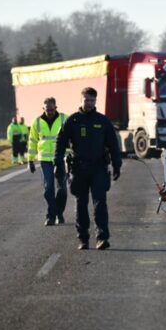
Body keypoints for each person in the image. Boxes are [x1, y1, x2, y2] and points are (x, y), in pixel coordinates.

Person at [55, 87, 122, 251]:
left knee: (100, 203)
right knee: (81, 204)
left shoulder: (103, 121)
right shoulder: (73, 121)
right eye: (86, 100)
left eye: (92, 100)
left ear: (95, 101)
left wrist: (117, 164)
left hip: (99, 167)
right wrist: (57, 164)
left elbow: (113, 144)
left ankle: (102, 238)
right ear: (81, 100)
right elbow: (60, 143)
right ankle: (83, 239)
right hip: (79, 168)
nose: (89, 103)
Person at [28, 98, 68, 226]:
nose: (50, 112)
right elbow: (32, 141)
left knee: (62, 190)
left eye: (52, 109)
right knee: (48, 188)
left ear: (56, 107)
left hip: (61, 159)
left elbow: (72, 138)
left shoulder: (64, 119)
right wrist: (30, 160)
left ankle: (59, 213)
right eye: (47, 109)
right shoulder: (37, 122)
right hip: (45, 160)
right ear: (43, 109)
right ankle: (51, 216)